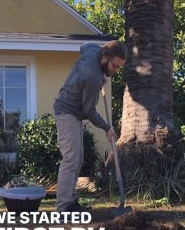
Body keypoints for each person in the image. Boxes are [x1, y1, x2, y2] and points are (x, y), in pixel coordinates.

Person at [53, 40, 128, 212]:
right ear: (105, 57)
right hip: (67, 111)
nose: (116, 71)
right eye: (115, 66)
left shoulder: (94, 50)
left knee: (77, 158)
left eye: (119, 67)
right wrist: (107, 127)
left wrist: (101, 73)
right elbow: (88, 110)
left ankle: (70, 201)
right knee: (71, 159)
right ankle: (63, 207)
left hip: (73, 112)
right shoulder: (93, 78)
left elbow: (84, 46)